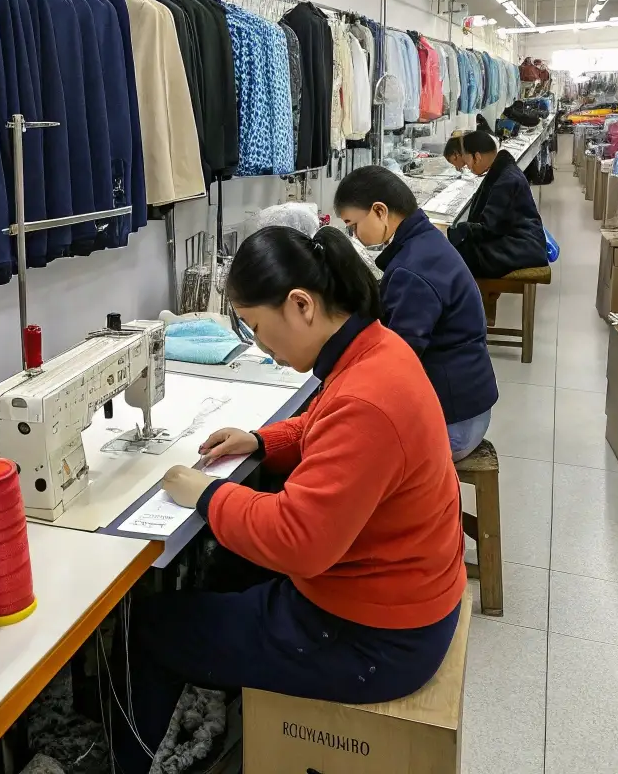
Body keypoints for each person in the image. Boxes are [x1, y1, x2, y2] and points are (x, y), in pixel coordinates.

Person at [110, 225, 466, 774]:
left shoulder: (368, 397)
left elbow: (299, 541)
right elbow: (324, 430)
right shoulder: (375, 349)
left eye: (257, 327)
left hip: (375, 640)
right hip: (400, 598)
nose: (260, 345)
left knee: (147, 628)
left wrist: (207, 494)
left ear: (301, 305)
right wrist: (260, 442)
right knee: (224, 567)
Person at [334, 166, 497, 460]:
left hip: (454, 426)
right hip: (470, 407)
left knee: (344, 452)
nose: (354, 235)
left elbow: (399, 358)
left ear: (380, 211)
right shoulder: (425, 242)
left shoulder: (412, 269)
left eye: (353, 224)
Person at [446, 129, 549, 279]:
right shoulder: (503, 170)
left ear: (477, 157)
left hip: (523, 245)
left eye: (468, 164)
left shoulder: (506, 180)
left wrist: (453, 232)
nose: (469, 168)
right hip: (518, 237)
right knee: (458, 250)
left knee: (454, 258)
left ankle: (471, 300)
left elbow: (488, 228)